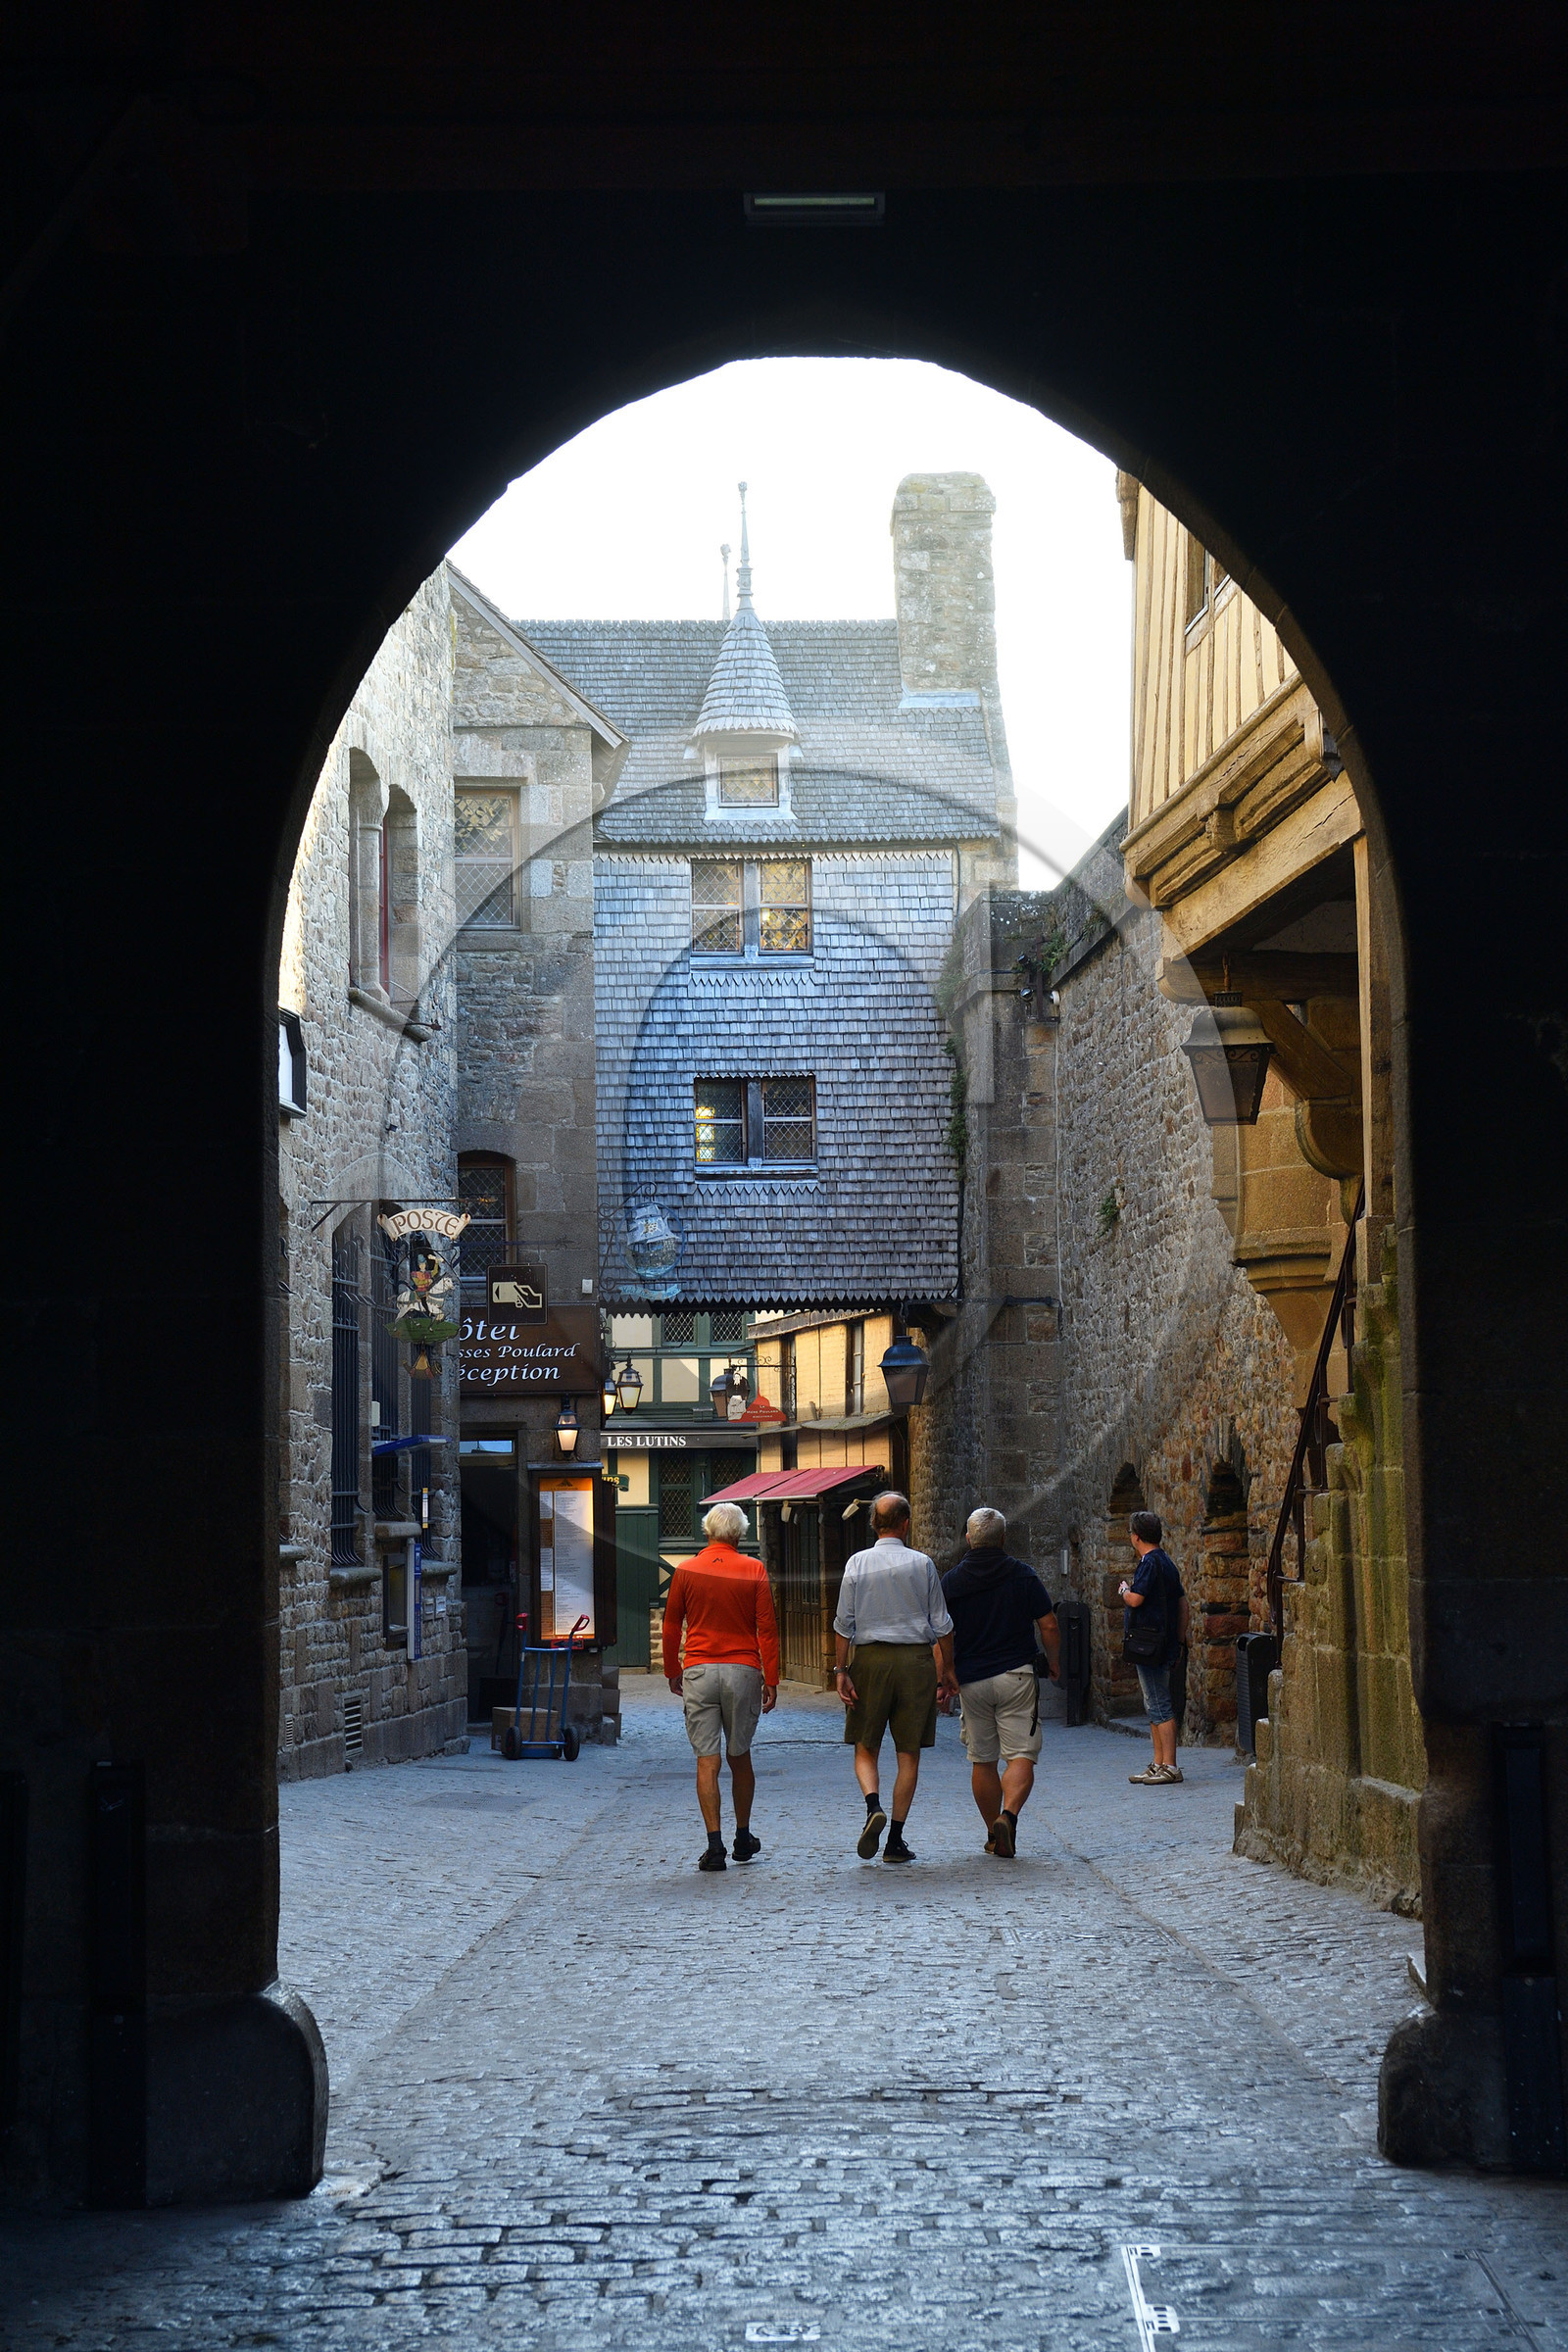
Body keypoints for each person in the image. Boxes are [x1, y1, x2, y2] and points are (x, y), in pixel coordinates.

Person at [833, 1491, 956, 1863]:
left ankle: (874, 1808)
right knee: (909, 1754)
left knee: (865, 1746)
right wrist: (946, 1671)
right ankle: (895, 1841)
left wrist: (842, 1670)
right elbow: (942, 1626)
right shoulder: (922, 1564)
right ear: (906, 1524)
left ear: (874, 1524)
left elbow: (843, 1625)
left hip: (870, 1660)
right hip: (915, 1663)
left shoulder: (857, 1563)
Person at [663, 1500, 780, 1870]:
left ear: (708, 1531)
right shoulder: (753, 1569)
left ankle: (715, 1846)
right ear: (740, 1533)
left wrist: (672, 1669)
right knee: (739, 1755)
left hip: (699, 1668)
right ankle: (743, 1836)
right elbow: (767, 1629)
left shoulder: (687, 1570)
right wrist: (772, 1678)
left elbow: (671, 1624)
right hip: (742, 1669)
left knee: (706, 1760)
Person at [941, 1506, 1060, 1857]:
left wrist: (944, 1675)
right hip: (1016, 1674)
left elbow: (941, 1634)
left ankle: (993, 1832)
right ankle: (1008, 1817)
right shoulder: (1022, 1575)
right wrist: (1053, 1661)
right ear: (1003, 1538)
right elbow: (1049, 1624)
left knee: (983, 1759)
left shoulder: (952, 1581)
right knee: (1021, 1755)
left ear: (968, 1539)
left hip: (972, 1680)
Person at [1118, 1509, 1190, 1786]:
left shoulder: (1149, 1563)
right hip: (1165, 1642)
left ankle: (1169, 1765)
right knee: (1153, 1703)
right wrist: (1180, 1639)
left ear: (1136, 1537)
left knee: (1159, 1703)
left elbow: (1136, 1599)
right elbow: (1183, 1605)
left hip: (1150, 1644)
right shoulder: (1168, 1563)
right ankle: (1159, 1762)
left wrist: (1125, 1590)